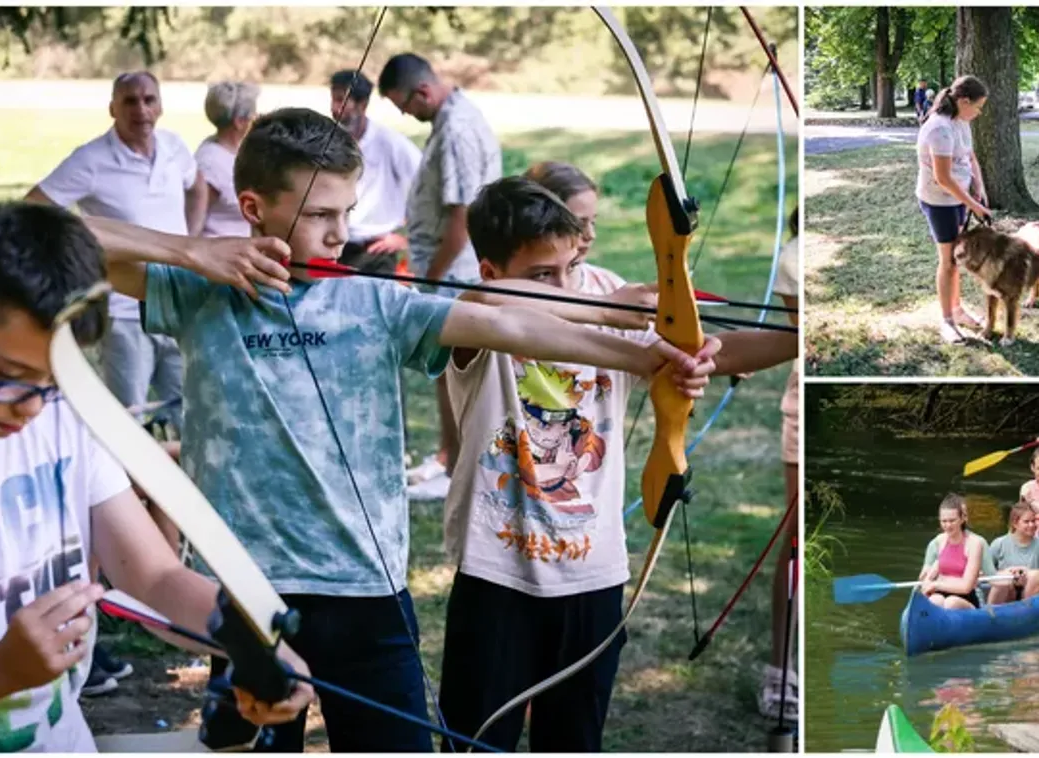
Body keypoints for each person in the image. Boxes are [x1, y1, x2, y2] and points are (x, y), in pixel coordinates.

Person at [83, 107, 716, 752]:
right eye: (318, 215)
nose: (339, 233)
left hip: (367, 592)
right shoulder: (197, 291)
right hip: (246, 591)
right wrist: (190, 250)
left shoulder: (376, 301)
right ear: (252, 207)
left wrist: (646, 354)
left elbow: (510, 326)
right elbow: (39, 236)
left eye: (347, 212)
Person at [0, 201, 313, 752]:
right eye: (11, 376)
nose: (31, 407)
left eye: (54, 379)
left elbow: (154, 576)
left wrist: (252, 643)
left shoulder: (65, 416)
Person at [433, 172, 798, 751]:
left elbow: (705, 350)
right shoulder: (481, 311)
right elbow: (489, 307)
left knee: (574, 740)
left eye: (568, 266)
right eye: (542, 276)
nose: (563, 282)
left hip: (592, 576)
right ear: (492, 269)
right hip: (497, 574)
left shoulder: (602, 288)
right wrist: (598, 305)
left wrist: (795, 333)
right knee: (477, 738)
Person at [24, 69, 199, 694]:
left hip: (175, 309)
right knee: (124, 431)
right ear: (113, 106)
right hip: (122, 314)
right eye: (131, 100)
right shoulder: (92, 160)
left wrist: (191, 241)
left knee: (177, 421)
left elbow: (194, 187)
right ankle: (124, 555)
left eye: (150, 98)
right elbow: (35, 211)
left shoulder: (176, 147)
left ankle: (166, 543)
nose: (142, 109)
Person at [378, 53, 503, 501]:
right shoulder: (447, 121)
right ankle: (448, 455)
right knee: (445, 370)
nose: (405, 115)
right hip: (447, 268)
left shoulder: (456, 129)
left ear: (423, 92)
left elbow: (461, 215)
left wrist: (429, 276)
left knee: (456, 369)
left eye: (404, 105)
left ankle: (459, 469)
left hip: (458, 271)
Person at [914, 74, 991, 345]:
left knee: (956, 258)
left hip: (958, 199)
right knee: (947, 261)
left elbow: (970, 157)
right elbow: (943, 178)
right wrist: (975, 205)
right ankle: (946, 321)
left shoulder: (961, 122)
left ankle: (957, 310)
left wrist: (978, 187)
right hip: (939, 202)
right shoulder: (939, 129)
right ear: (963, 100)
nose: (979, 113)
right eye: (978, 107)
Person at [760, 204, 799, 722]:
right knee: (795, 539)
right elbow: (796, 340)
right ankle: (780, 667)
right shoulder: (795, 256)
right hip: (801, 403)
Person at [329, 69, 422, 274]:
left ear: (362, 105)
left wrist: (405, 239)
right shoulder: (327, 141)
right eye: (333, 100)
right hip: (332, 247)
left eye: (341, 101)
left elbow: (429, 192)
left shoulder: (392, 144)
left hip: (375, 252)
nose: (335, 109)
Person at [196, 81, 260, 238]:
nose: (256, 117)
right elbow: (195, 219)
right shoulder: (210, 163)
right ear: (239, 122)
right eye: (253, 113)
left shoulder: (240, 151)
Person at [918, 493, 990, 609]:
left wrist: (938, 583)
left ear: (962, 519)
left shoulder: (975, 543)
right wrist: (927, 580)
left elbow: (966, 586)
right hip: (941, 593)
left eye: (952, 521)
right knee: (934, 600)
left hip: (965, 598)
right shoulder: (940, 540)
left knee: (951, 603)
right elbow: (930, 576)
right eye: (944, 521)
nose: (947, 525)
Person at [986, 502, 1039, 605]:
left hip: (1031, 591)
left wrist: (1028, 573)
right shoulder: (998, 544)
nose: (1031, 525)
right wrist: (1008, 573)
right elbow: (985, 573)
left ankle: (1026, 612)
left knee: (1034, 575)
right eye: (1026, 522)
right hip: (1007, 591)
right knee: (1003, 578)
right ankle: (991, 614)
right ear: (1015, 523)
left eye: (1033, 521)